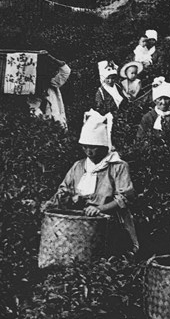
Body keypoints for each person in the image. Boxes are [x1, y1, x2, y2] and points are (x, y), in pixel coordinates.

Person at [42, 109, 139, 254]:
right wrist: (51, 203)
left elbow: (124, 198)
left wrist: (99, 209)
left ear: (104, 147)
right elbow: (64, 189)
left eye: (93, 147)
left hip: (109, 223)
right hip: (80, 223)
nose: (89, 151)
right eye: (85, 147)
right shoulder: (79, 166)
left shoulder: (117, 166)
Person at [27, 50, 71, 129]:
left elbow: (66, 71)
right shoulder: (29, 92)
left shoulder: (52, 86)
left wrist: (49, 57)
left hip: (56, 126)